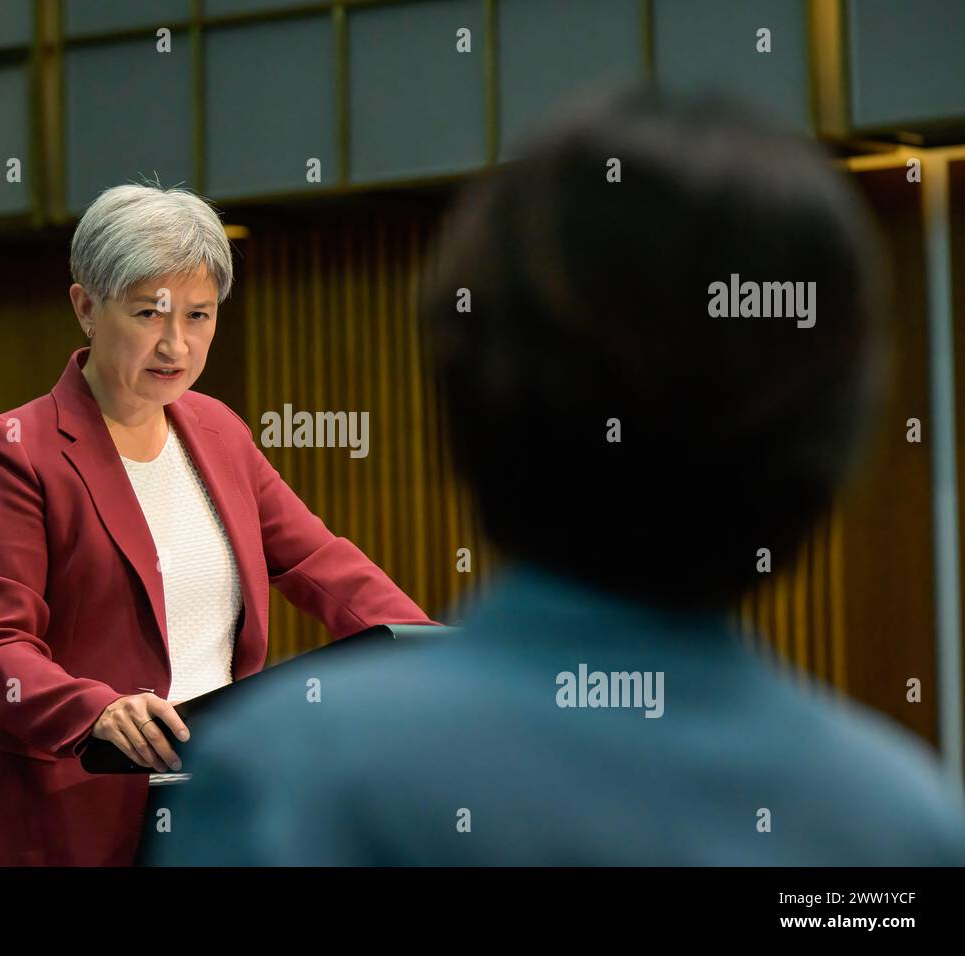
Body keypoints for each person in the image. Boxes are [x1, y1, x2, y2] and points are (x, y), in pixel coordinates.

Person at [141, 91, 965, 865]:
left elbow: (319, 561)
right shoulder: (905, 827)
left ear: (460, 412)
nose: (173, 339)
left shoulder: (281, 786)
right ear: (832, 448)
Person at [0, 183, 433, 866]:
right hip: (64, 816)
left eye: (199, 316)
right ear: (86, 307)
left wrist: (425, 647)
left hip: (207, 809)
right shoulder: (15, 450)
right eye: (149, 313)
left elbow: (319, 561)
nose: (177, 343)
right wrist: (95, 710)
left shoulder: (218, 431)